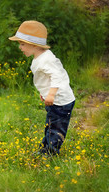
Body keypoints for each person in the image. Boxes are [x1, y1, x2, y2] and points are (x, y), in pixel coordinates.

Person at [9, 20, 75, 155]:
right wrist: (45, 93)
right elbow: (47, 79)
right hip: (54, 99)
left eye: (22, 44)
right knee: (50, 125)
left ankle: (51, 152)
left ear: (34, 45)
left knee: (56, 128)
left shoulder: (47, 59)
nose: (20, 48)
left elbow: (57, 76)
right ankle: (45, 149)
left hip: (61, 101)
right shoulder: (39, 57)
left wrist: (51, 94)